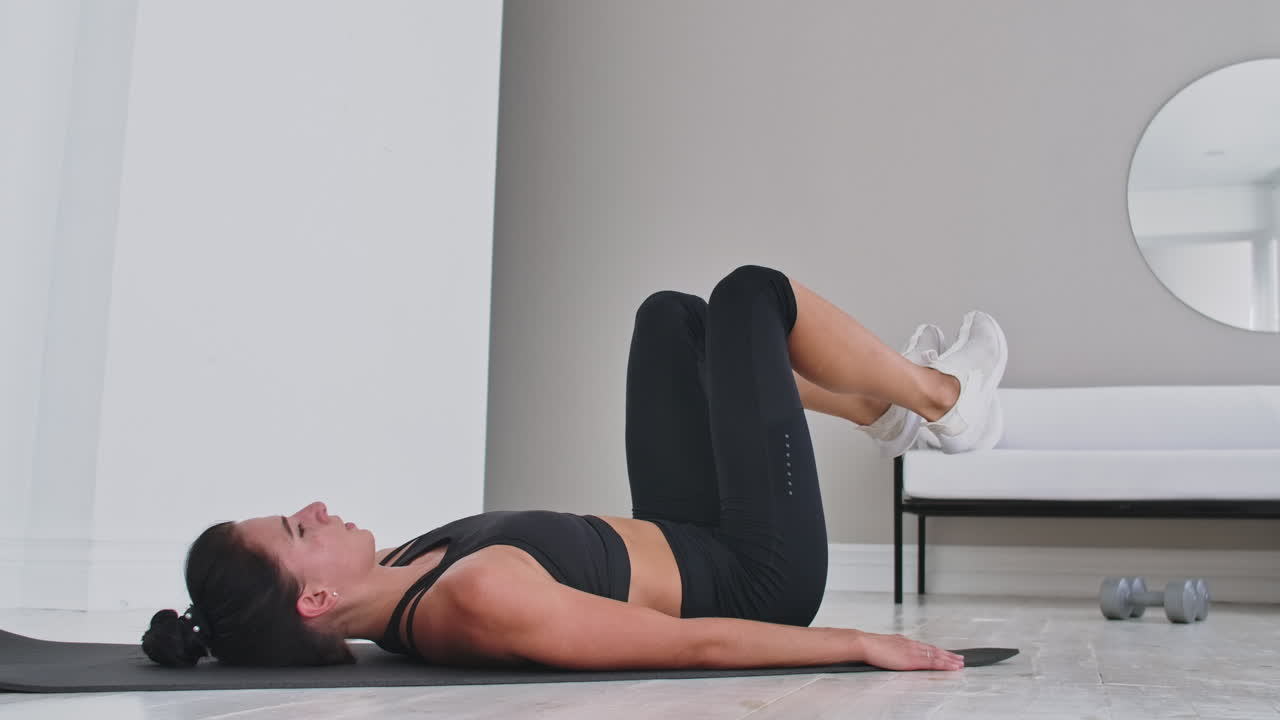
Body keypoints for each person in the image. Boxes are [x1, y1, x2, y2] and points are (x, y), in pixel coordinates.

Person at [142, 264, 1006, 672]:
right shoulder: (473, 602)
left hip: (685, 532)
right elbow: (687, 644)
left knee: (672, 319)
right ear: (315, 600)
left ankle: (876, 409)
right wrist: (852, 643)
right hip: (755, 575)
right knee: (750, 295)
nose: (317, 506)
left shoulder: (400, 571)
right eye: (299, 530)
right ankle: (943, 401)